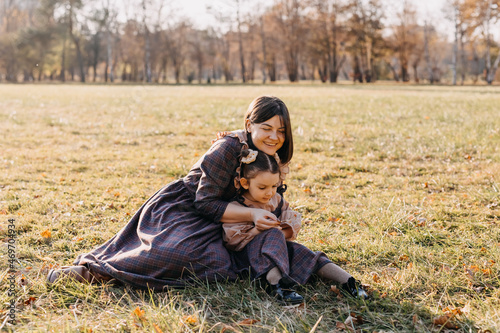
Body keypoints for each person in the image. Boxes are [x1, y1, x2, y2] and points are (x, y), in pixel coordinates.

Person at [47, 95, 367, 302]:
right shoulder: (228, 148)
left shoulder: (274, 159)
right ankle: (91, 272)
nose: (274, 136)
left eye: (281, 131)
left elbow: (267, 200)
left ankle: (345, 282)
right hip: (188, 209)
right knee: (181, 255)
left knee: (258, 251)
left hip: (233, 221)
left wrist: (271, 220)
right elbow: (206, 203)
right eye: (266, 128)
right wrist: (252, 217)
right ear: (249, 125)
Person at [222, 149, 367, 305]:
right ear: (245, 183)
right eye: (262, 188)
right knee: (273, 235)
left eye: (273, 186)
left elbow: (291, 219)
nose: (269, 192)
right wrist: (258, 229)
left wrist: (281, 231)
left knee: (301, 252)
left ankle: (349, 282)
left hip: (279, 249)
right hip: (250, 258)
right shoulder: (237, 207)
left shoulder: (275, 200)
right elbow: (232, 241)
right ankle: (277, 285)